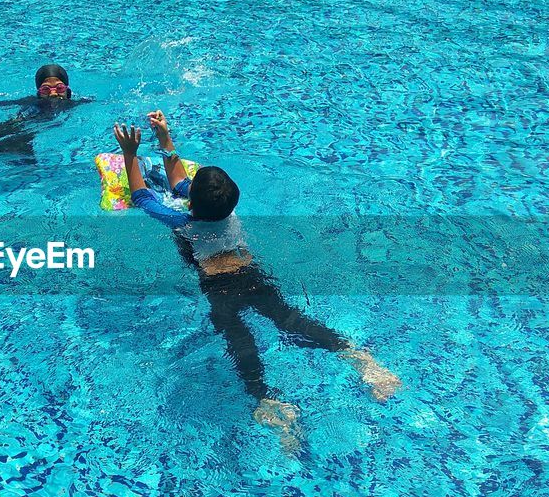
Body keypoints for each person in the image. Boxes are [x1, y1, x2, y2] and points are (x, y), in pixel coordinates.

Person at [113, 111, 401, 452]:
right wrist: (165, 138)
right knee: (290, 319)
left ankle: (265, 398)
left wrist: (130, 155)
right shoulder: (230, 211)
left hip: (219, 288)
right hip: (251, 274)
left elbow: (143, 197)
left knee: (238, 338)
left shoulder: (182, 224)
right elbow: (180, 183)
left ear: (192, 202)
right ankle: (356, 356)